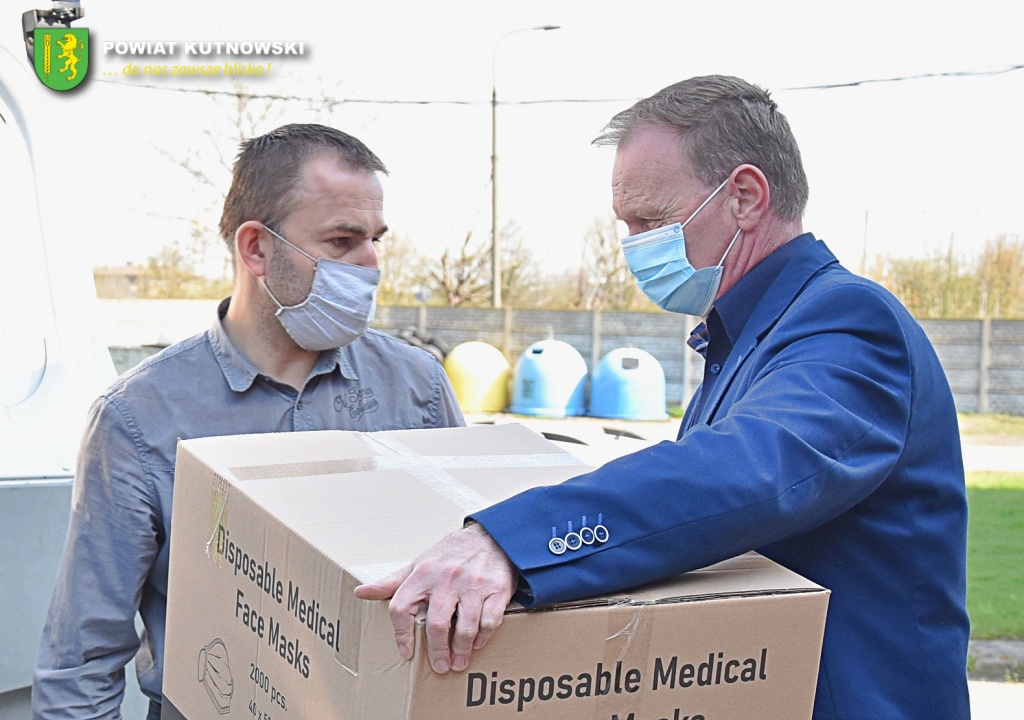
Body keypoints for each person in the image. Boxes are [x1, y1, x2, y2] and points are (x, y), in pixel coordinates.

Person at [355, 76, 971, 718]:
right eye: (627, 226)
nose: (633, 248)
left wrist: (511, 542)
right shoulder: (748, 335)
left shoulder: (846, 321)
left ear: (745, 197)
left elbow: (749, 470)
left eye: (650, 221)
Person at [33, 123, 465, 719]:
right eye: (342, 240)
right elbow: (82, 658)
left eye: (375, 240)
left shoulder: (417, 387)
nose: (370, 265)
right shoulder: (140, 416)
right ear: (256, 248)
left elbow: (469, 573)